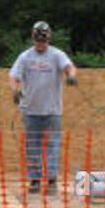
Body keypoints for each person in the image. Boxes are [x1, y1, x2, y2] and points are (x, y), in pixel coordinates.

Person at [9, 21, 77, 194]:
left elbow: (69, 66)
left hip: (52, 110)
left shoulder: (56, 55)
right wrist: (15, 90)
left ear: (48, 39)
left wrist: (71, 75)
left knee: (53, 145)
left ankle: (52, 180)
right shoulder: (25, 57)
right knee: (32, 145)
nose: (41, 45)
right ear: (33, 39)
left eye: (44, 41)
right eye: (38, 41)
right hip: (30, 110)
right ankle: (35, 180)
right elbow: (13, 76)